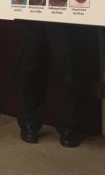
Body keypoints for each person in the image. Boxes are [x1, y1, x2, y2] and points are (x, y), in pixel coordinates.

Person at [17, 18, 89, 147]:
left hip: (64, 15)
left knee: (68, 68)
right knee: (31, 65)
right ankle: (29, 122)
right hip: (33, 12)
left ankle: (69, 126)